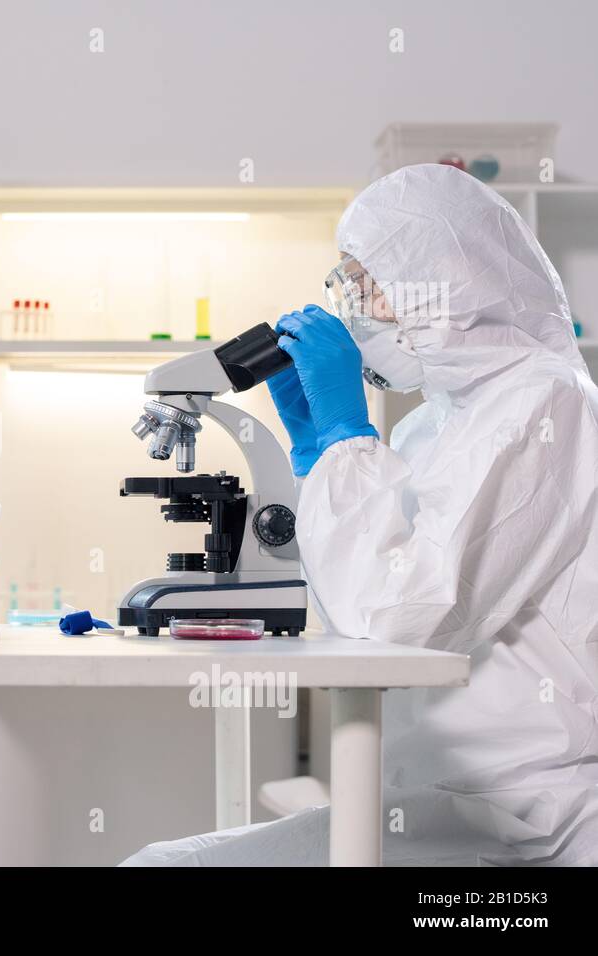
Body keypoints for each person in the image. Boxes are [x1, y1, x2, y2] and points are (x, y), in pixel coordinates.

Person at [124, 163, 598, 866]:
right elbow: (359, 602)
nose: (357, 310)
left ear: (451, 282)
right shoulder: (432, 426)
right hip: (439, 800)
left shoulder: (546, 402)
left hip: (528, 822)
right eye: (348, 286)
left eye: (369, 285)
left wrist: (347, 436)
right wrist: (318, 454)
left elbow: (405, 619)